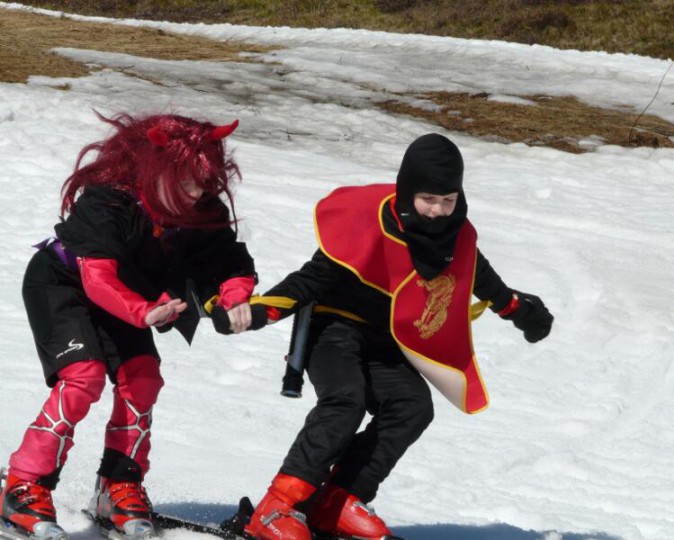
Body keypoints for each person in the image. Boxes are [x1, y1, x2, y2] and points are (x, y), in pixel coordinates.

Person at [240, 133, 554, 540]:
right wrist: (260, 311)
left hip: (387, 340)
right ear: (407, 192)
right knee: (345, 400)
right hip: (334, 327)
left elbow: (479, 277)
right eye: (428, 199)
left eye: (448, 200)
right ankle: (277, 507)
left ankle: (338, 501)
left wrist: (518, 310)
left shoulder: (455, 235)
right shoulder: (367, 220)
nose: (438, 211)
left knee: (412, 406)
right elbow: (310, 280)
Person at [0, 113, 257, 540]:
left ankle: (118, 485)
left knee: (142, 379)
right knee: (83, 378)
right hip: (63, 285)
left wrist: (235, 297)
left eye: (203, 182)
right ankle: (23, 485)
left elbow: (231, 262)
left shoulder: (202, 210)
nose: (196, 193)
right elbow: (97, 277)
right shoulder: (109, 201)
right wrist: (141, 312)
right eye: (186, 181)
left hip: (132, 301)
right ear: (158, 170)